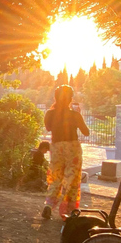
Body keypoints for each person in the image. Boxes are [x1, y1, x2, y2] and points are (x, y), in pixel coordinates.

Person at [42, 85, 90, 219]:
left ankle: (49, 205)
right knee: (72, 179)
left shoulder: (49, 113)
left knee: (56, 179)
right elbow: (86, 132)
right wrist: (77, 115)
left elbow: (49, 127)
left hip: (57, 147)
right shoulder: (74, 115)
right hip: (73, 148)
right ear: (70, 99)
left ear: (55, 97)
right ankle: (68, 211)